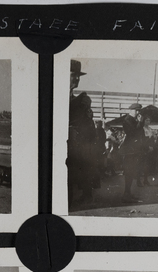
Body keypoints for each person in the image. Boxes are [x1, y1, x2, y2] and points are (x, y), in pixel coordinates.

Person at [67, 60, 100, 206]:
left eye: (79, 76)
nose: (77, 79)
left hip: (79, 144)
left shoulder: (76, 98)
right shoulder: (58, 95)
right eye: (74, 75)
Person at [119, 103, 146, 203]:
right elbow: (133, 134)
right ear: (130, 110)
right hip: (130, 150)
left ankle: (128, 193)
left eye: (139, 110)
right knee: (129, 172)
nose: (138, 112)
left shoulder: (133, 120)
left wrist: (140, 122)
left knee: (132, 172)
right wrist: (139, 122)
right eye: (136, 110)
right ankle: (126, 195)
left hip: (134, 150)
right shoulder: (127, 120)